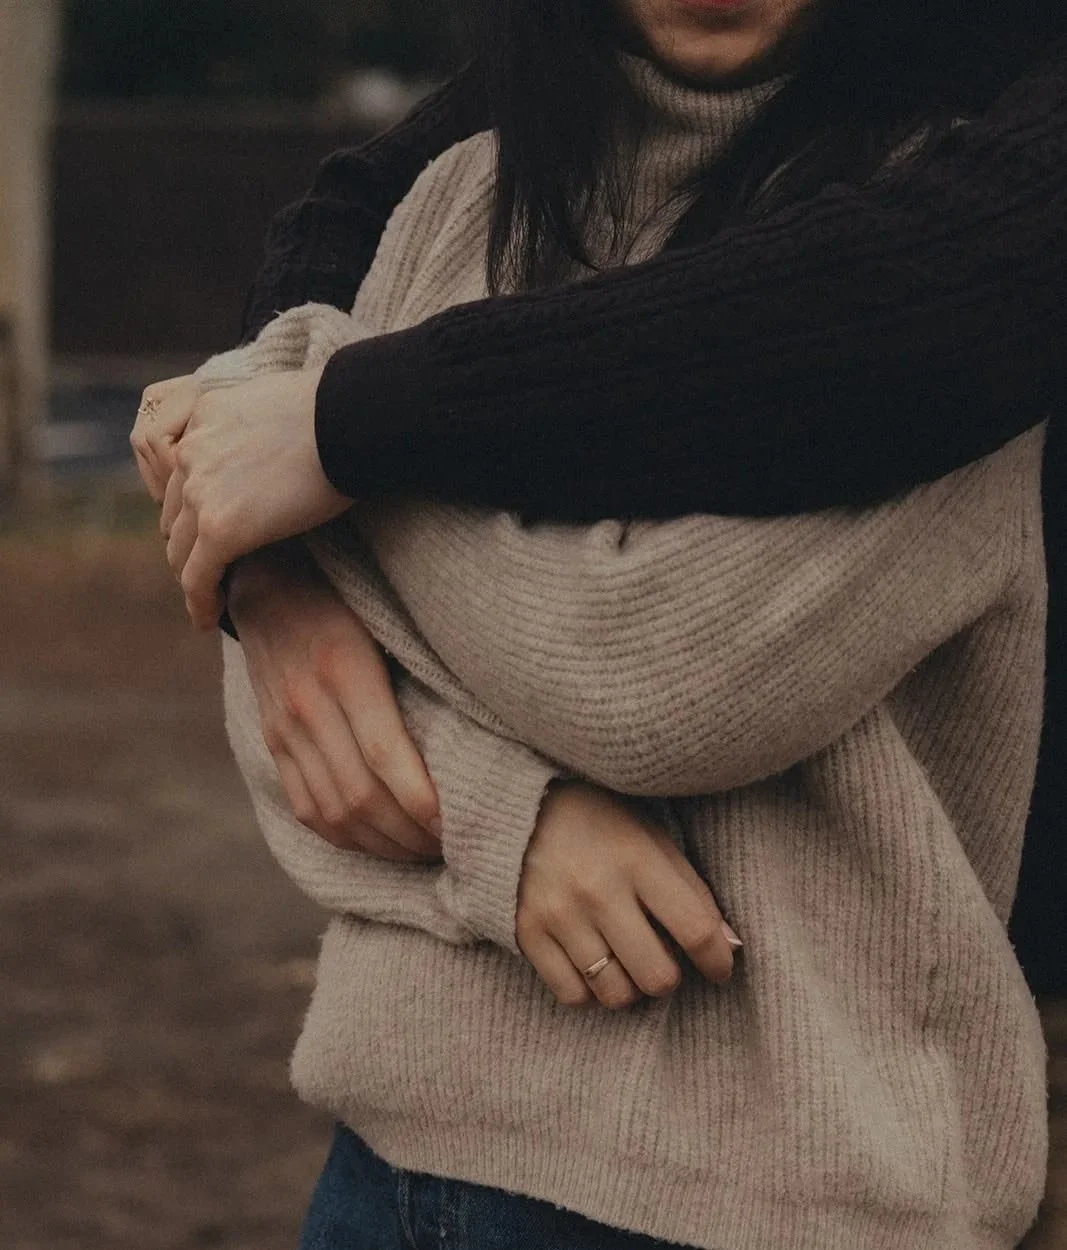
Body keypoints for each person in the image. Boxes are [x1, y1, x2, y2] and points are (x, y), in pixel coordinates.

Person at [133, 2, 1056, 1246]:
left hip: (769, 1196)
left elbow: (658, 679)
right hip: (389, 1167)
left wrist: (329, 447)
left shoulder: (938, 265)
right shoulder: (464, 186)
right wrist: (504, 824)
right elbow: (281, 713)